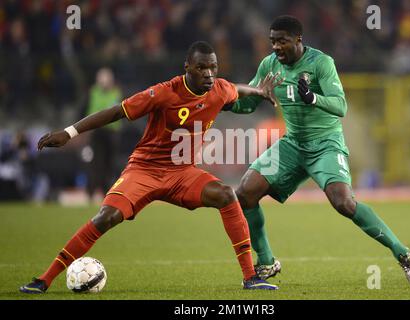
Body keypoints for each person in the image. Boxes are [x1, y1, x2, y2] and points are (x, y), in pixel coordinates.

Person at [19, 41, 282, 294]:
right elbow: (116, 112)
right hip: (144, 170)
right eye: (202, 68)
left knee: (226, 194)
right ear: (187, 67)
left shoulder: (220, 89)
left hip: (182, 173)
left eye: (213, 67)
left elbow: (236, 88)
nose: (209, 74)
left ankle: (250, 277)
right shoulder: (164, 92)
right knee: (106, 217)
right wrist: (70, 132)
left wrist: (258, 90)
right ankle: (44, 279)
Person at [225, 16, 410, 284]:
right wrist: (225, 102)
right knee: (245, 192)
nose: (276, 47)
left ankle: (402, 253)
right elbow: (249, 105)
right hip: (293, 144)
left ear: (298, 40)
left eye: (282, 41)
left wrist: (313, 97)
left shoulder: (321, 63)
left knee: (344, 203)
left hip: (325, 144)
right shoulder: (269, 65)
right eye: (273, 42)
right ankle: (267, 262)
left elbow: (340, 106)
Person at [85, 68, 122, 201]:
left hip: (111, 133)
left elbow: (116, 112)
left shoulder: (116, 92)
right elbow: (93, 111)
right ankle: (91, 192)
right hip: (98, 132)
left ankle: (107, 193)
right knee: (96, 163)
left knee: (110, 164)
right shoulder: (94, 92)